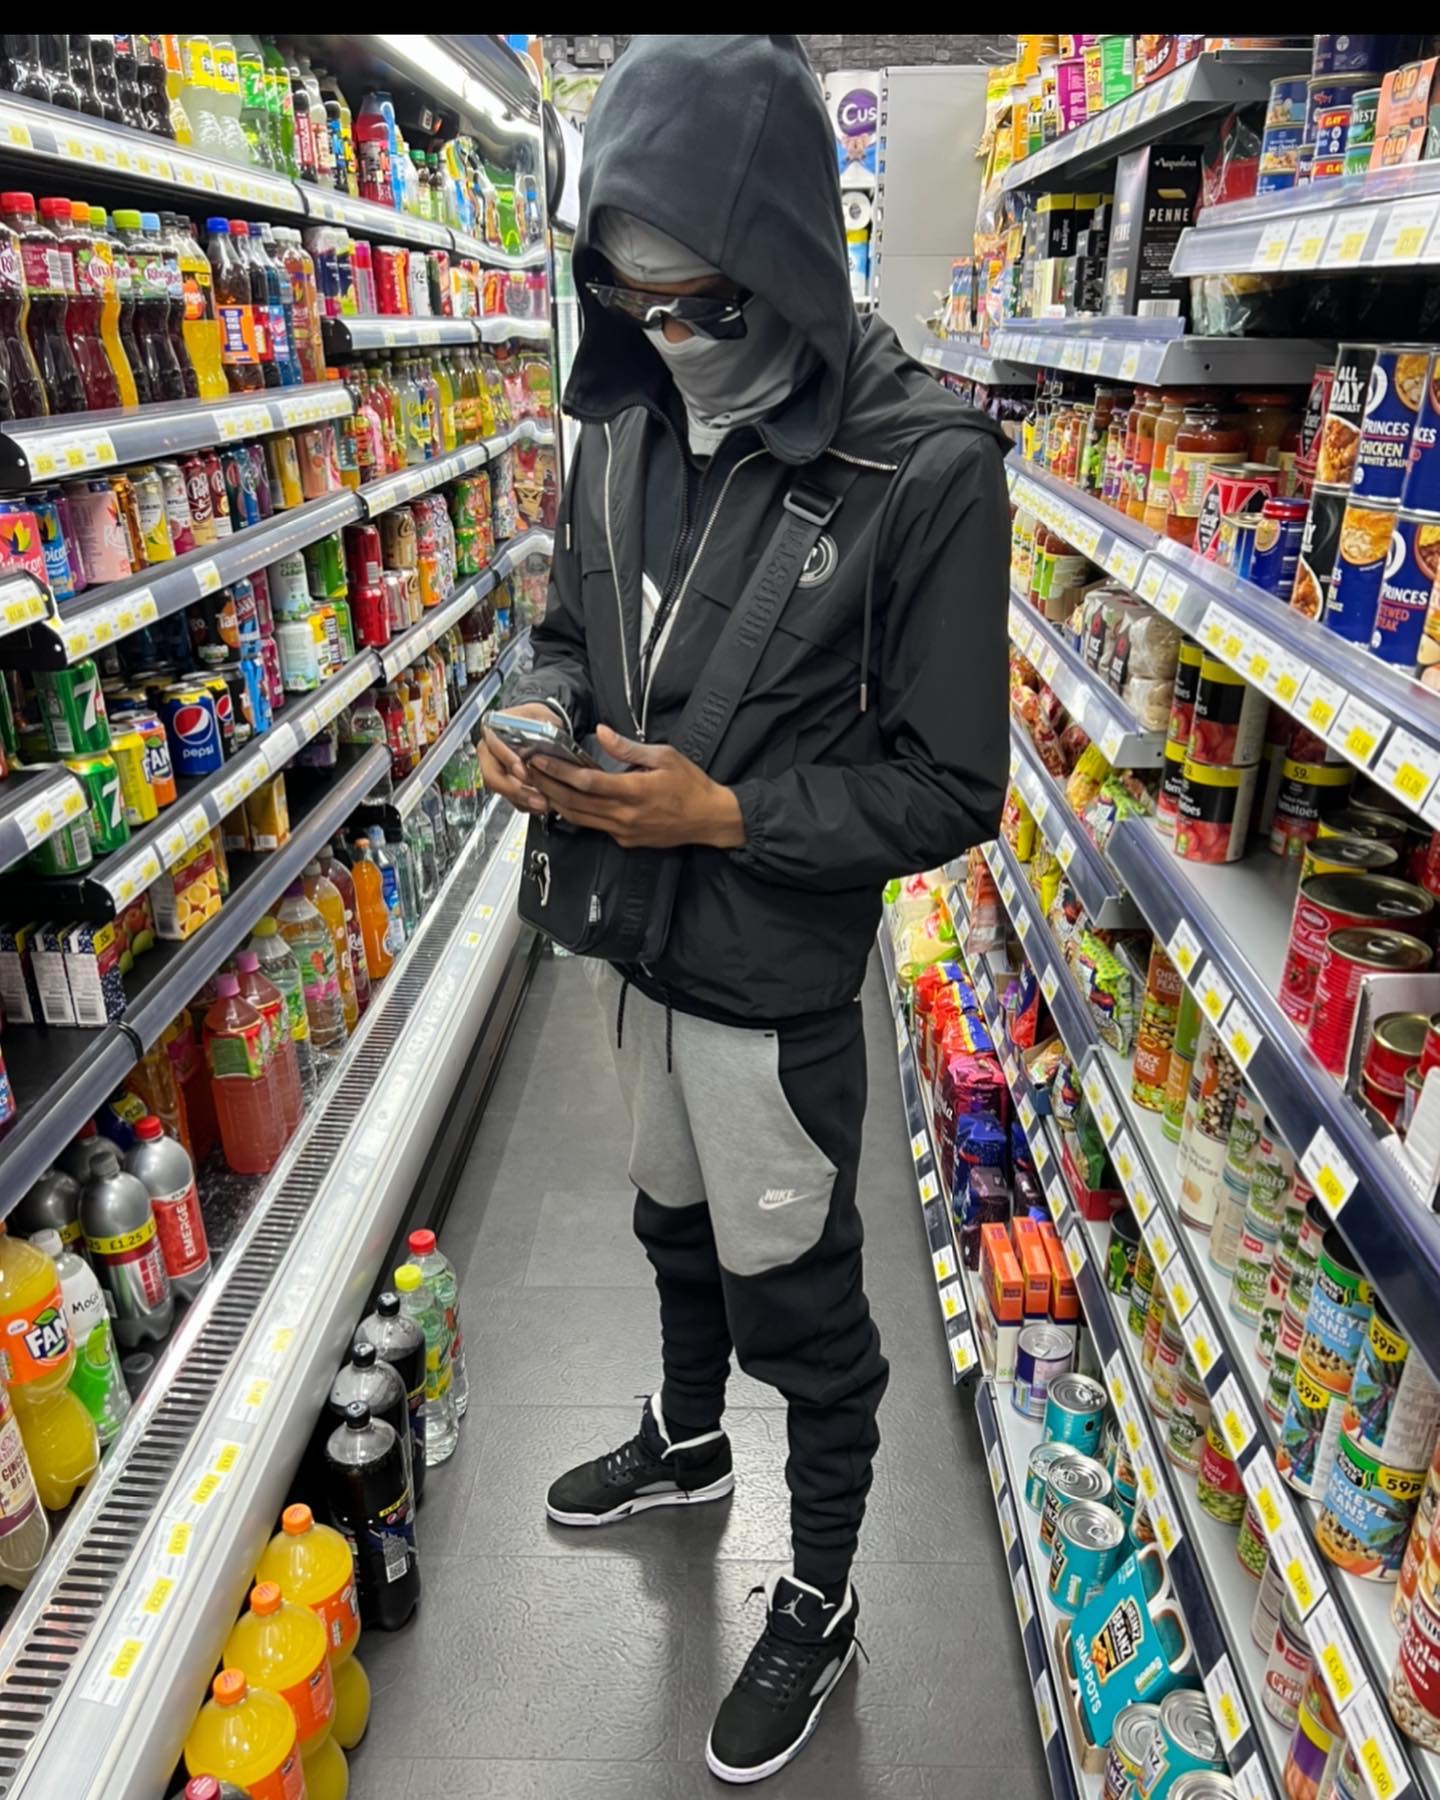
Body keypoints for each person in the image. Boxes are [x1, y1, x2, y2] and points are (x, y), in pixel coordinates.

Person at [481, 33, 1009, 1785]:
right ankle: (690, 1441)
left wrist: (726, 813)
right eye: (630, 304)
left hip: (772, 978)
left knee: (804, 1300)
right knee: (668, 1218)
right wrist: (542, 712)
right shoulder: (622, 412)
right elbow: (572, 629)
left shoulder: (926, 464)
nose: (670, 337)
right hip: (629, 940)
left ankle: (826, 1591)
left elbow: (952, 785)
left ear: (784, 250)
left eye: (702, 302)